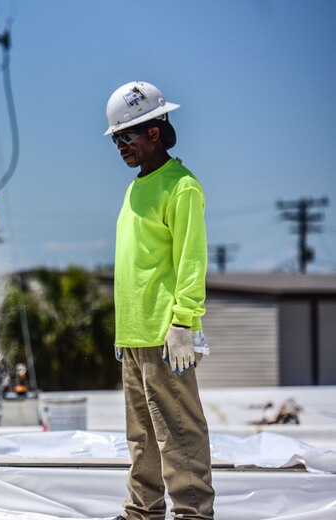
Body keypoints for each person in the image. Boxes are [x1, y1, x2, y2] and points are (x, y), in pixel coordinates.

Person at [105, 81, 215, 520]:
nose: (119, 145)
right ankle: (142, 513)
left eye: (126, 135)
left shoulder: (181, 187)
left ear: (154, 131)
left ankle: (192, 514)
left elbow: (191, 260)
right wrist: (123, 333)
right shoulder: (135, 189)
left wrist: (184, 322)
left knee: (179, 434)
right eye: (115, 138)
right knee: (143, 437)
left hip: (166, 334)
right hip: (134, 335)